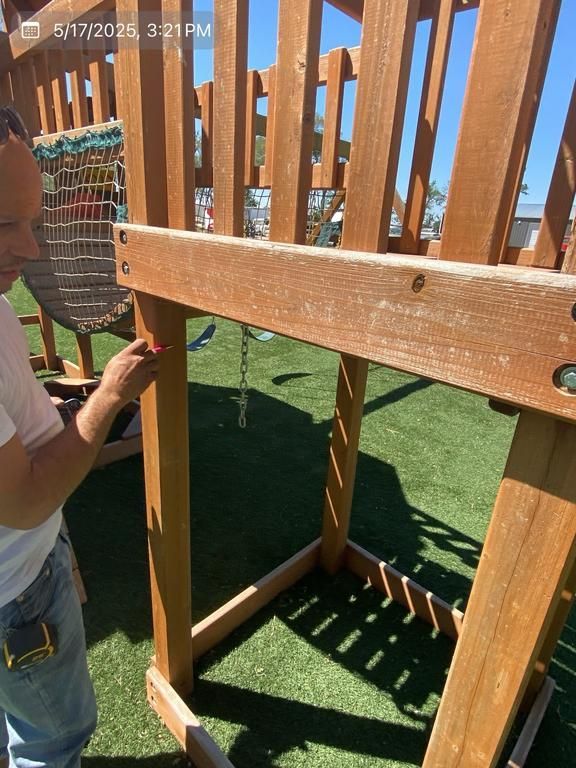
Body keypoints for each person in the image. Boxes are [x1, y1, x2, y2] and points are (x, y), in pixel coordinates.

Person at [0, 105, 159, 767]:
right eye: (6, 223)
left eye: (34, 221)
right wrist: (108, 402)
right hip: (18, 592)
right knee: (56, 735)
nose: (32, 248)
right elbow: (25, 501)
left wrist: (57, 410)